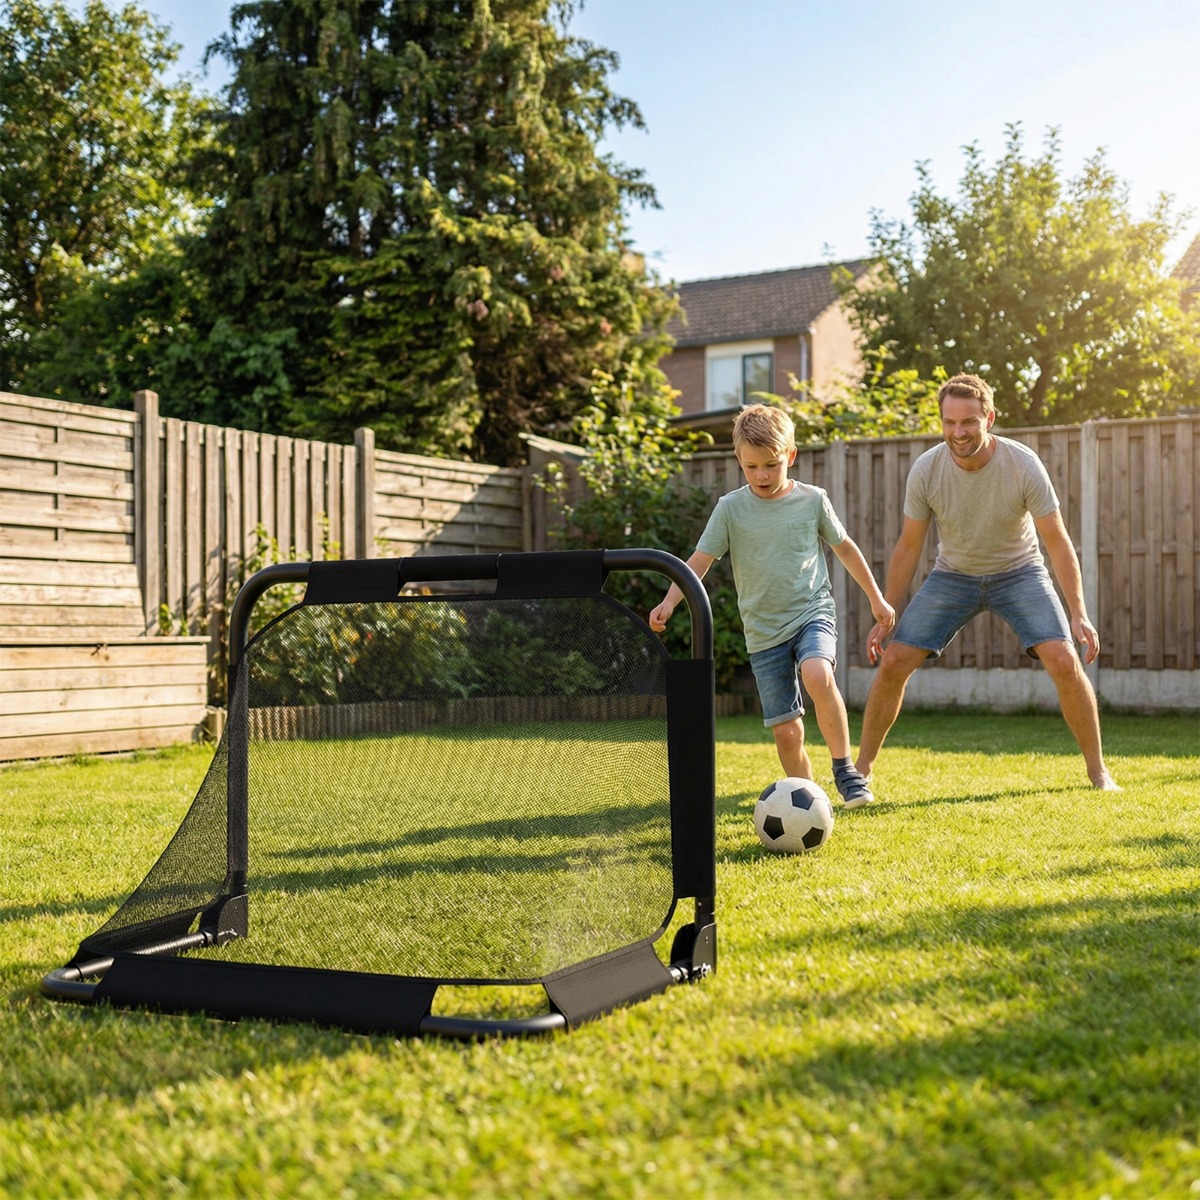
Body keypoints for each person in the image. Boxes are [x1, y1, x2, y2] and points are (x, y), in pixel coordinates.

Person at [855, 373, 1120, 791]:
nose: (958, 432)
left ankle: (1098, 772)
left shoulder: (1022, 464)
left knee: (1064, 660)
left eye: (969, 422)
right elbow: (908, 545)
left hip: (1019, 572)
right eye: (949, 422)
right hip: (953, 575)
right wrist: (886, 609)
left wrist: (1079, 613)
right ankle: (860, 771)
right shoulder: (927, 469)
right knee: (893, 661)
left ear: (989, 418)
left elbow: (1057, 541)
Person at [650, 403, 894, 808]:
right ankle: (810, 801)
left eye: (771, 465)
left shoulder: (812, 500)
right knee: (787, 732)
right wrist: (670, 600)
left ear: (790, 456)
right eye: (751, 467)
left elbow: (845, 548)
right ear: (738, 460)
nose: (761, 475)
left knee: (818, 672)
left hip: (811, 612)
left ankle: (845, 770)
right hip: (763, 631)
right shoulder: (730, 509)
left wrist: (877, 598)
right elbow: (700, 560)